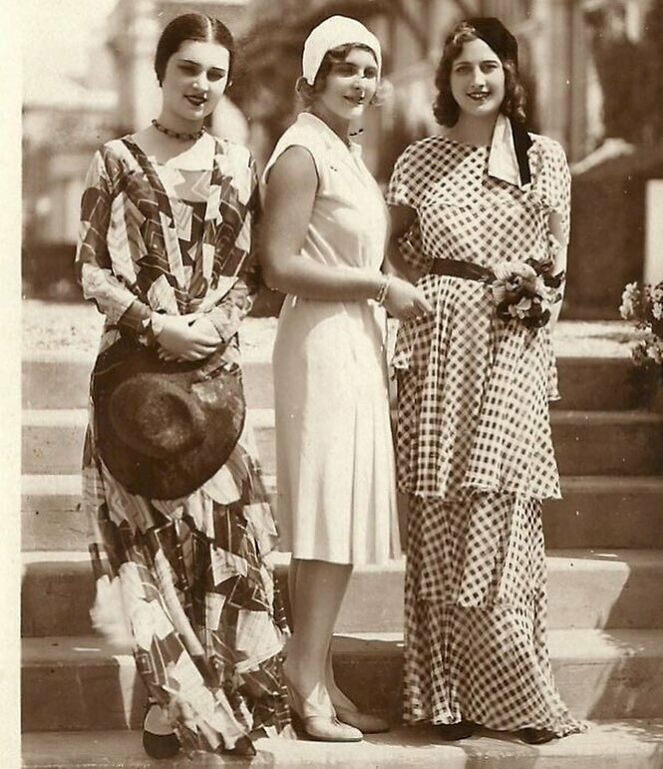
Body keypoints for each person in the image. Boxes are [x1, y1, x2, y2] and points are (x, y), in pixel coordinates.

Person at [76, 12, 292, 759]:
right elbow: (91, 269)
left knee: (228, 539)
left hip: (211, 374)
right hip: (136, 377)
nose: (201, 84)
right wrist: (154, 326)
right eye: (188, 69)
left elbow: (253, 272)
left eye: (215, 73)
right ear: (161, 71)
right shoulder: (116, 159)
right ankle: (171, 702)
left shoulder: (239, 163)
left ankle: (222, 696)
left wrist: (212, 326)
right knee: (149, 541)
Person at [386, 18, 585, 744]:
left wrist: (531, 299)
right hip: (438, 344)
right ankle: (446, 700)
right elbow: (388, 251)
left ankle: (519, 693)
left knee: (500, 518)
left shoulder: (543, 159)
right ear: (446, 80)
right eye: (463, 68)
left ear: (510, 74)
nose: (476, 80)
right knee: (438, 517)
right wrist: (418, 297)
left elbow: (558, 264)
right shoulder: (419, 160)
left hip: (511, 346)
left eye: (489, 67)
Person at [259, 15, 432, 742]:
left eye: (369, 69)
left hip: (351, 337)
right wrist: (378, 286)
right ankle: (304, 683)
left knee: (333, 518)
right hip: (321, 340)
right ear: (314, 79)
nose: (360, 82)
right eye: (345, 69)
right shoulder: (302, 152)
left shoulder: (344, 150)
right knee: (327, 515)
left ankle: (317, 674)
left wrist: (386, 282)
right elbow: (278, 265)